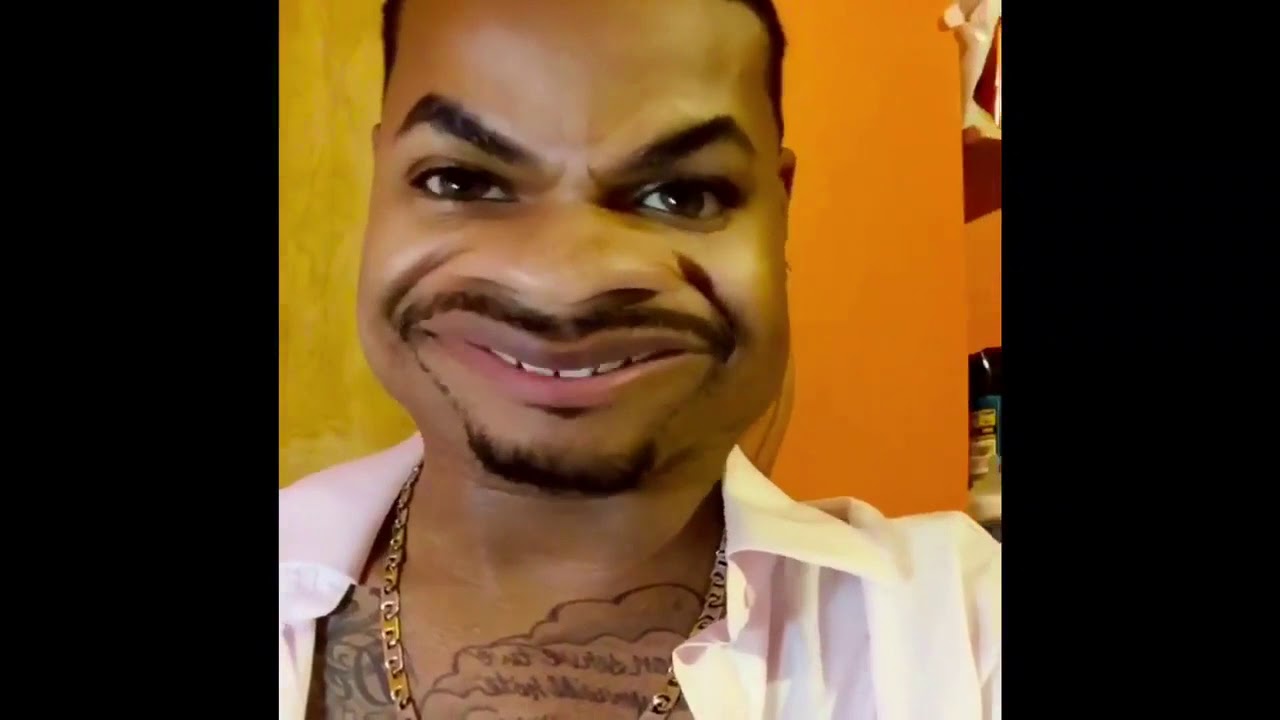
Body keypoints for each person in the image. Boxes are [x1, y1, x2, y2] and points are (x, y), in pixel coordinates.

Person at [279, 0, 1002, 718]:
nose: (563, 282)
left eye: (682, 196)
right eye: (461, 182)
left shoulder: (965, 632)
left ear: (780, 211)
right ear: (379, 182)